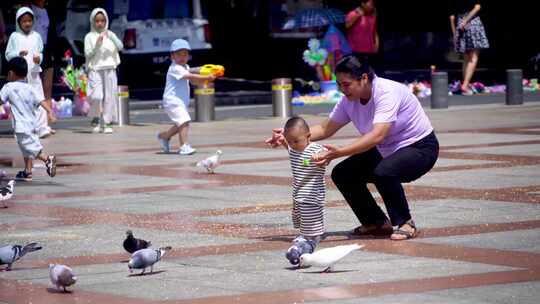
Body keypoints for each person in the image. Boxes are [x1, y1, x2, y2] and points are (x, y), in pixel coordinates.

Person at [266, 55, 439, 240]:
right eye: (339, 84)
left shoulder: (387, 92)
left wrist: (339, 152)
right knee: (343, 173)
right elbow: (325, 128)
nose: (342, 89)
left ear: (364, 78)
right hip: (385, 149)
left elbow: (377, 135)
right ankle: (376, 222)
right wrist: (289, 136)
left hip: (420, 148)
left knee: (384, 171)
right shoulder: (349, 100)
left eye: (346, 84)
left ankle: (405, 222)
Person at [277, 116, 327, 265]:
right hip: (298, 195)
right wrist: (282, 142)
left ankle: (310, 241)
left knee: (311, 221)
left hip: (312, 196)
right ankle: (305, 236)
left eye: (296, 141)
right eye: (290, 141)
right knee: (302, 220)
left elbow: (326, 153)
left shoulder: (315, 149)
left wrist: (323, 156)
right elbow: (290, 148)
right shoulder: (294, 149)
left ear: (308, 136)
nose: (293, 145)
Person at [0, 57, 57, 181]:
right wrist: (50, 112)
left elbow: (0, 100)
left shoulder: (8, 87)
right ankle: (27, 171)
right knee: (26, 149)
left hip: (21, 126)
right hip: (32, 124)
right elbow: (42, 101)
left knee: (31, 148)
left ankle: (48, 159)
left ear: (10, 73)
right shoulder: (31, 88)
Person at [156, 39, 215, 155]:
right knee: (184, 121)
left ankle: (164, 136)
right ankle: (184, 146)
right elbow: (190, 76)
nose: (182, 57)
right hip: (172, 101)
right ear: (172, 56)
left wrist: (207, 78)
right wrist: (206, 77)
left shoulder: (185, 67)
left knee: (180, 124)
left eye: (185, 54)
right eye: (179, 54)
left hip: (180, 102)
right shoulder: (175, 68)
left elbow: (193, 80)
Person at [5, 6, 52, 138]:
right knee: (20, 101)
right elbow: (8, 55)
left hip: (33, 73)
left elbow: (40, 52)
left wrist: (39, 58)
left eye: (30, 21)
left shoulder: (36, 36)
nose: (27, 24)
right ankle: (20, 128)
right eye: (24, 21)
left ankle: (41, 127)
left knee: (38, 98)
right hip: (19, 76)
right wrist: (18, 54)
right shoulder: (14, 36)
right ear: (19, 22)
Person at [84, 8, 123, 134]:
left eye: (102, 21)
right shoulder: (89, 36)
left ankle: (106, 122)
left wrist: (111, 36)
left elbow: (120, 47)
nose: (100, 23)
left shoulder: (110, 34)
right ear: (93, 22)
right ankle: (95, 117)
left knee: (110, 97)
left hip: (110, 68)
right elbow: (88, 54)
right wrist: (97, 44)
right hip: (95, 69)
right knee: (96, 96)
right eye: (97, 21)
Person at [450, 0, 489, 95]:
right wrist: (466, 20)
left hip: (460, 23)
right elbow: (477, 7)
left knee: (466, 57)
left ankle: (465, 84)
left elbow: (451, 17)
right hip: (471, 22)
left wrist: (455, 34)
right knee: (473, 57)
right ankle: (465, 85)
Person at [32, 0, 57, 135]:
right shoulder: (29, 8)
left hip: (47, 50)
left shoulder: (49, 10)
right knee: (34, 88)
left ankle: (47, 123)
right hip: (33, 51)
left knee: (47, 89)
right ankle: (34, 124)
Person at [345, 0, 379, 66]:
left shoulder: (373, 15)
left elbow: (374, 31)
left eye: (373, 5)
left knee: (368, 72)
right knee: (357, 72)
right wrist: (358, 15)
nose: (372, 7)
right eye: (370, 4)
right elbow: (347, 26)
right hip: (355, 50)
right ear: (363, 4)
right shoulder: (353, 13)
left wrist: (376, 45)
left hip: (369, 50)